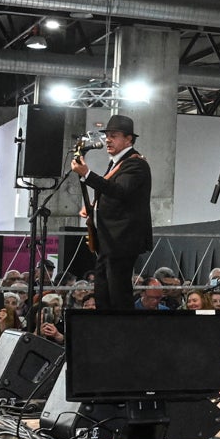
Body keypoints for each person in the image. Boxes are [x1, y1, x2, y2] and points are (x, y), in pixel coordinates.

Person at [74, 114, 153, 317]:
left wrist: (88, 175)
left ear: (128, 139)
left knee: (118, 294)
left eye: (114, 135)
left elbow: (120, 191)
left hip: (122, 240)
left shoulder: (136, 164)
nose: (108, 139)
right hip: (108, 240)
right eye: (107, 135)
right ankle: (108, 335)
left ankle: (123, 338)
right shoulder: (118, 163)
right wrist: (93, 207)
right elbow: (112, 193)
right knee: (103, 293)